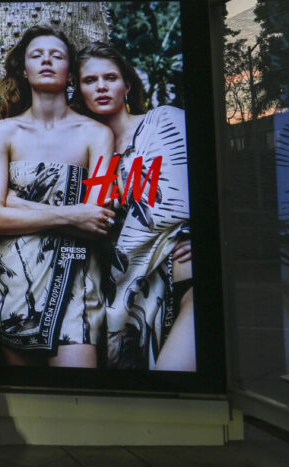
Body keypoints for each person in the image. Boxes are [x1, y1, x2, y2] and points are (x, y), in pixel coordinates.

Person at [0, 26, 115, 368]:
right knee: (26, 403)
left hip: (77, 281)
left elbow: (98, 222)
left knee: (79, 400)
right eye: (36, 55)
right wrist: (72, 215)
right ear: (24, 70)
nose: (46, 60)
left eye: (56, 56)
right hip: (12, 282)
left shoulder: (98, 135)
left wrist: (16, 203)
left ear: (69, 72)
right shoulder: (2, 133)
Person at [72, 41, 195, 371]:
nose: (101, 86)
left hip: (183, 276)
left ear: (127, 85)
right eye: (89, 80)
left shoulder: (164, 123)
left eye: (110, 77)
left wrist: (203, 232)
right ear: (78, 89)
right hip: (119, 289)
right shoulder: (84, 155)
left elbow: (205, 185)